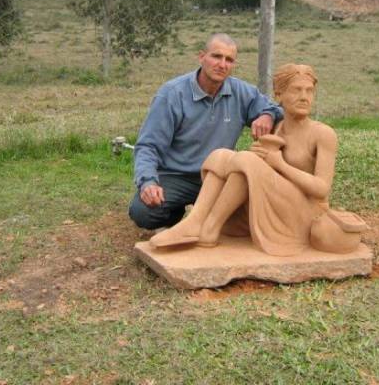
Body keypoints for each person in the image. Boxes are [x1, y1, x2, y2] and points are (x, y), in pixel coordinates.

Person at [150, 63, 338, 257]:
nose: (304, 97)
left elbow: (322, 189)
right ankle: (195, 221)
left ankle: (210, 227)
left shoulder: (322, 134)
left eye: (309, 91)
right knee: (221, 155)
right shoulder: (276, 128)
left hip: (306, 214)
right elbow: (266, 172)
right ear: (279, 95)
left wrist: (278, 164)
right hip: (279, 204)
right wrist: (261, 158)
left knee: (247, 162)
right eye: (296, 90)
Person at [129, 33, 283, 231]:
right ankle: (174, 213)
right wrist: (148, 182)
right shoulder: (172, 93)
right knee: (144, 212)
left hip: (218, 175)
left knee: (255, 209)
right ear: (201, 57)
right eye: (216, 56)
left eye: (229, 60)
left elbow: (281, 110)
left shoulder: (242, 92)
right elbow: (148, 145)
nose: (222, 64)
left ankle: (206, 213)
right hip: (176, 175)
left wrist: (268, 115)